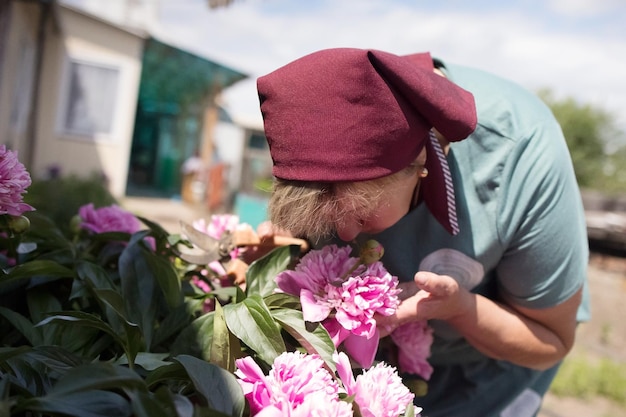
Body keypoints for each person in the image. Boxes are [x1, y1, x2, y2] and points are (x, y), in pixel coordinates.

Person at [255, 48, 590, 417]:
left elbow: (551, 341)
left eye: (363, 216)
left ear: (420, 165)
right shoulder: (326, 121)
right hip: (373, 373)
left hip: (490, 371)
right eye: (328, 221)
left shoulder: (522, 155)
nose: (347, 235)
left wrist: (460, 308)